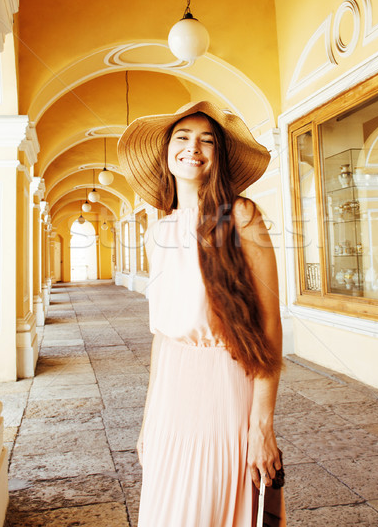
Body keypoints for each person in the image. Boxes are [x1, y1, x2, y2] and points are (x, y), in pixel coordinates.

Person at [117, 101, 284, 527]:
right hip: (171, 391)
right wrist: (148, 418)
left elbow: (269, 321)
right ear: (167, 154)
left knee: (210, 506)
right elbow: (163, 334)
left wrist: (262, 425)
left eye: (207, 141)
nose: (194, 148)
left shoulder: (241, 215)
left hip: (225, 384)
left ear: (217, 157)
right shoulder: (158, 232)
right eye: (183, 138)